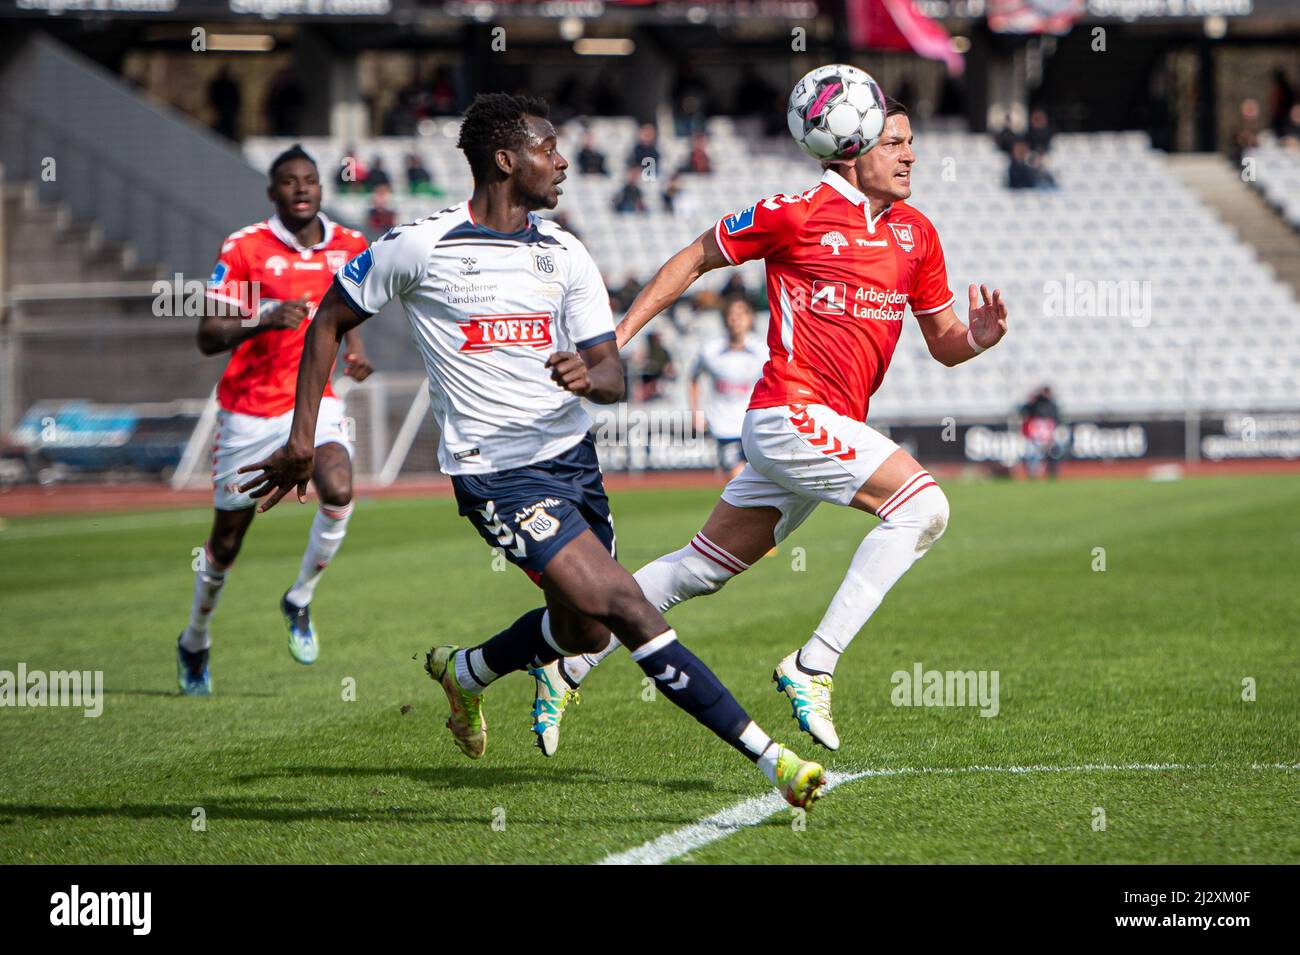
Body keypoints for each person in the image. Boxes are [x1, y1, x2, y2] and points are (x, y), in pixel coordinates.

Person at [237, 93, 828, 809]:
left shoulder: (565, 251)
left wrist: (595, 376)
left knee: (582, 629)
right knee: (626, 604)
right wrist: (303, 437)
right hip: (497, 474)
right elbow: (330, 317)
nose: (563, 162)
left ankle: (469, 671)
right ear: (504, 159)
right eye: (549, 148)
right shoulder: (421, 246)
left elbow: (612, 371)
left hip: (574, 461)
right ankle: (773, 761)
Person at [532, 95, 1008, 754]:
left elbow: (945, 341)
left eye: (910, 143)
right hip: (790, 412)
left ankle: (565, 663)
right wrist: (616, 338)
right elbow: (694, 258)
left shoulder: (917, 233)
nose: (910, 154)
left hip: (824, 428)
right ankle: (813, 664)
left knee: (698, 569)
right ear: (854, 144)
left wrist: (976, 338)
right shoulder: (795, 213)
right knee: (923, 507)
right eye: (896, 142)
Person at [176, 144, 374, 696]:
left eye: (310, 179)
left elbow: (350, 306)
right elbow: (206, 336)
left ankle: (300, 598)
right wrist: (261, 321)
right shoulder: (245, 248)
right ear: (273, 192)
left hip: (315, 403)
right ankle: (195, 637)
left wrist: (354, 346)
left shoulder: (351, 244)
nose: (302, 188)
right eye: (289, 181)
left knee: (339, 488)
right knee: (228, 541)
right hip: (248, 412)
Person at [690, 297, 766, 480]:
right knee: (736, 477)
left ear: (750, 318)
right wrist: (696, 412)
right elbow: (693, 379)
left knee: (759, 479)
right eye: (732, 314)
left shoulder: (762, 350)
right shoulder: (710, 350)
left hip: (753, 424)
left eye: (741, 314)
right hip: (723, 425)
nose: (736, 319)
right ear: (725, 319)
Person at [1019, 386, 1062, 480]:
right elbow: (1024, 412)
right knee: (1033, 455)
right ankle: (1032, 474)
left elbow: (1057, 421)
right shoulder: (1035, 404)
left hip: (1048, 435)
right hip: (1035, 435)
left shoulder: (1052, 406)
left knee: (1053, 454)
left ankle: (1052, 473)